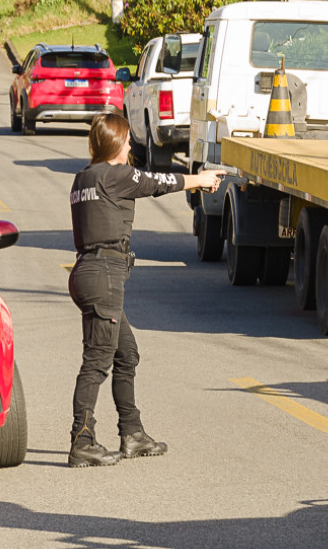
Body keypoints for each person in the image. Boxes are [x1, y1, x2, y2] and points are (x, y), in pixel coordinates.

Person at [67, 113, 222, 468]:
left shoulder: (83, 178)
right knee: (97, 362)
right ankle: (82, 440)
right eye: (126, 142)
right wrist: (200, 180)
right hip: (104, 275)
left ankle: (132, 433)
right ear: (116, 144)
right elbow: (158, 181)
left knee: (126, 354)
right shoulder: (116, 175)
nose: (129, 148)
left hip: (89, 272)